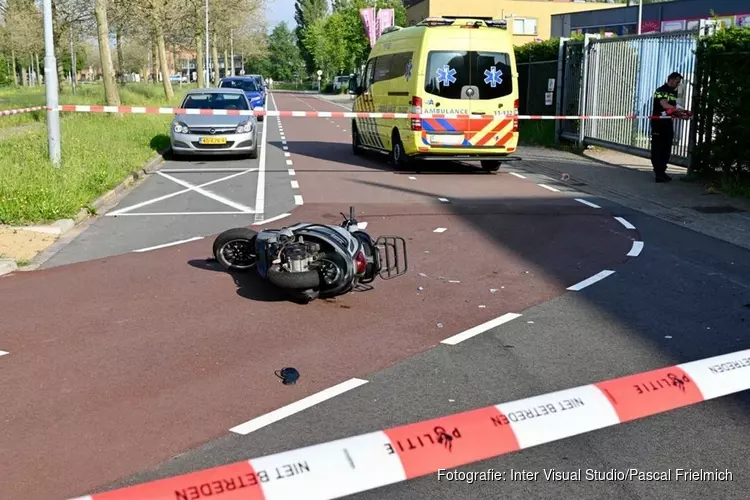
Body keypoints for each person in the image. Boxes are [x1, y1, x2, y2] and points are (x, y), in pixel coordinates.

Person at [650, 72, 690, 183]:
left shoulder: (673, 91)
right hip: (658, 124)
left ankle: (662, 171)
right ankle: (658, 173)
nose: (678, 84)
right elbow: (665, 105)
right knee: (658, 148)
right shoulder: (661, 90)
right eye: (677, 82)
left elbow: (672, 107)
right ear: (671, 80)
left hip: (667, 122)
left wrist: (682, 112)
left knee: (667, 147)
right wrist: (676, 109)